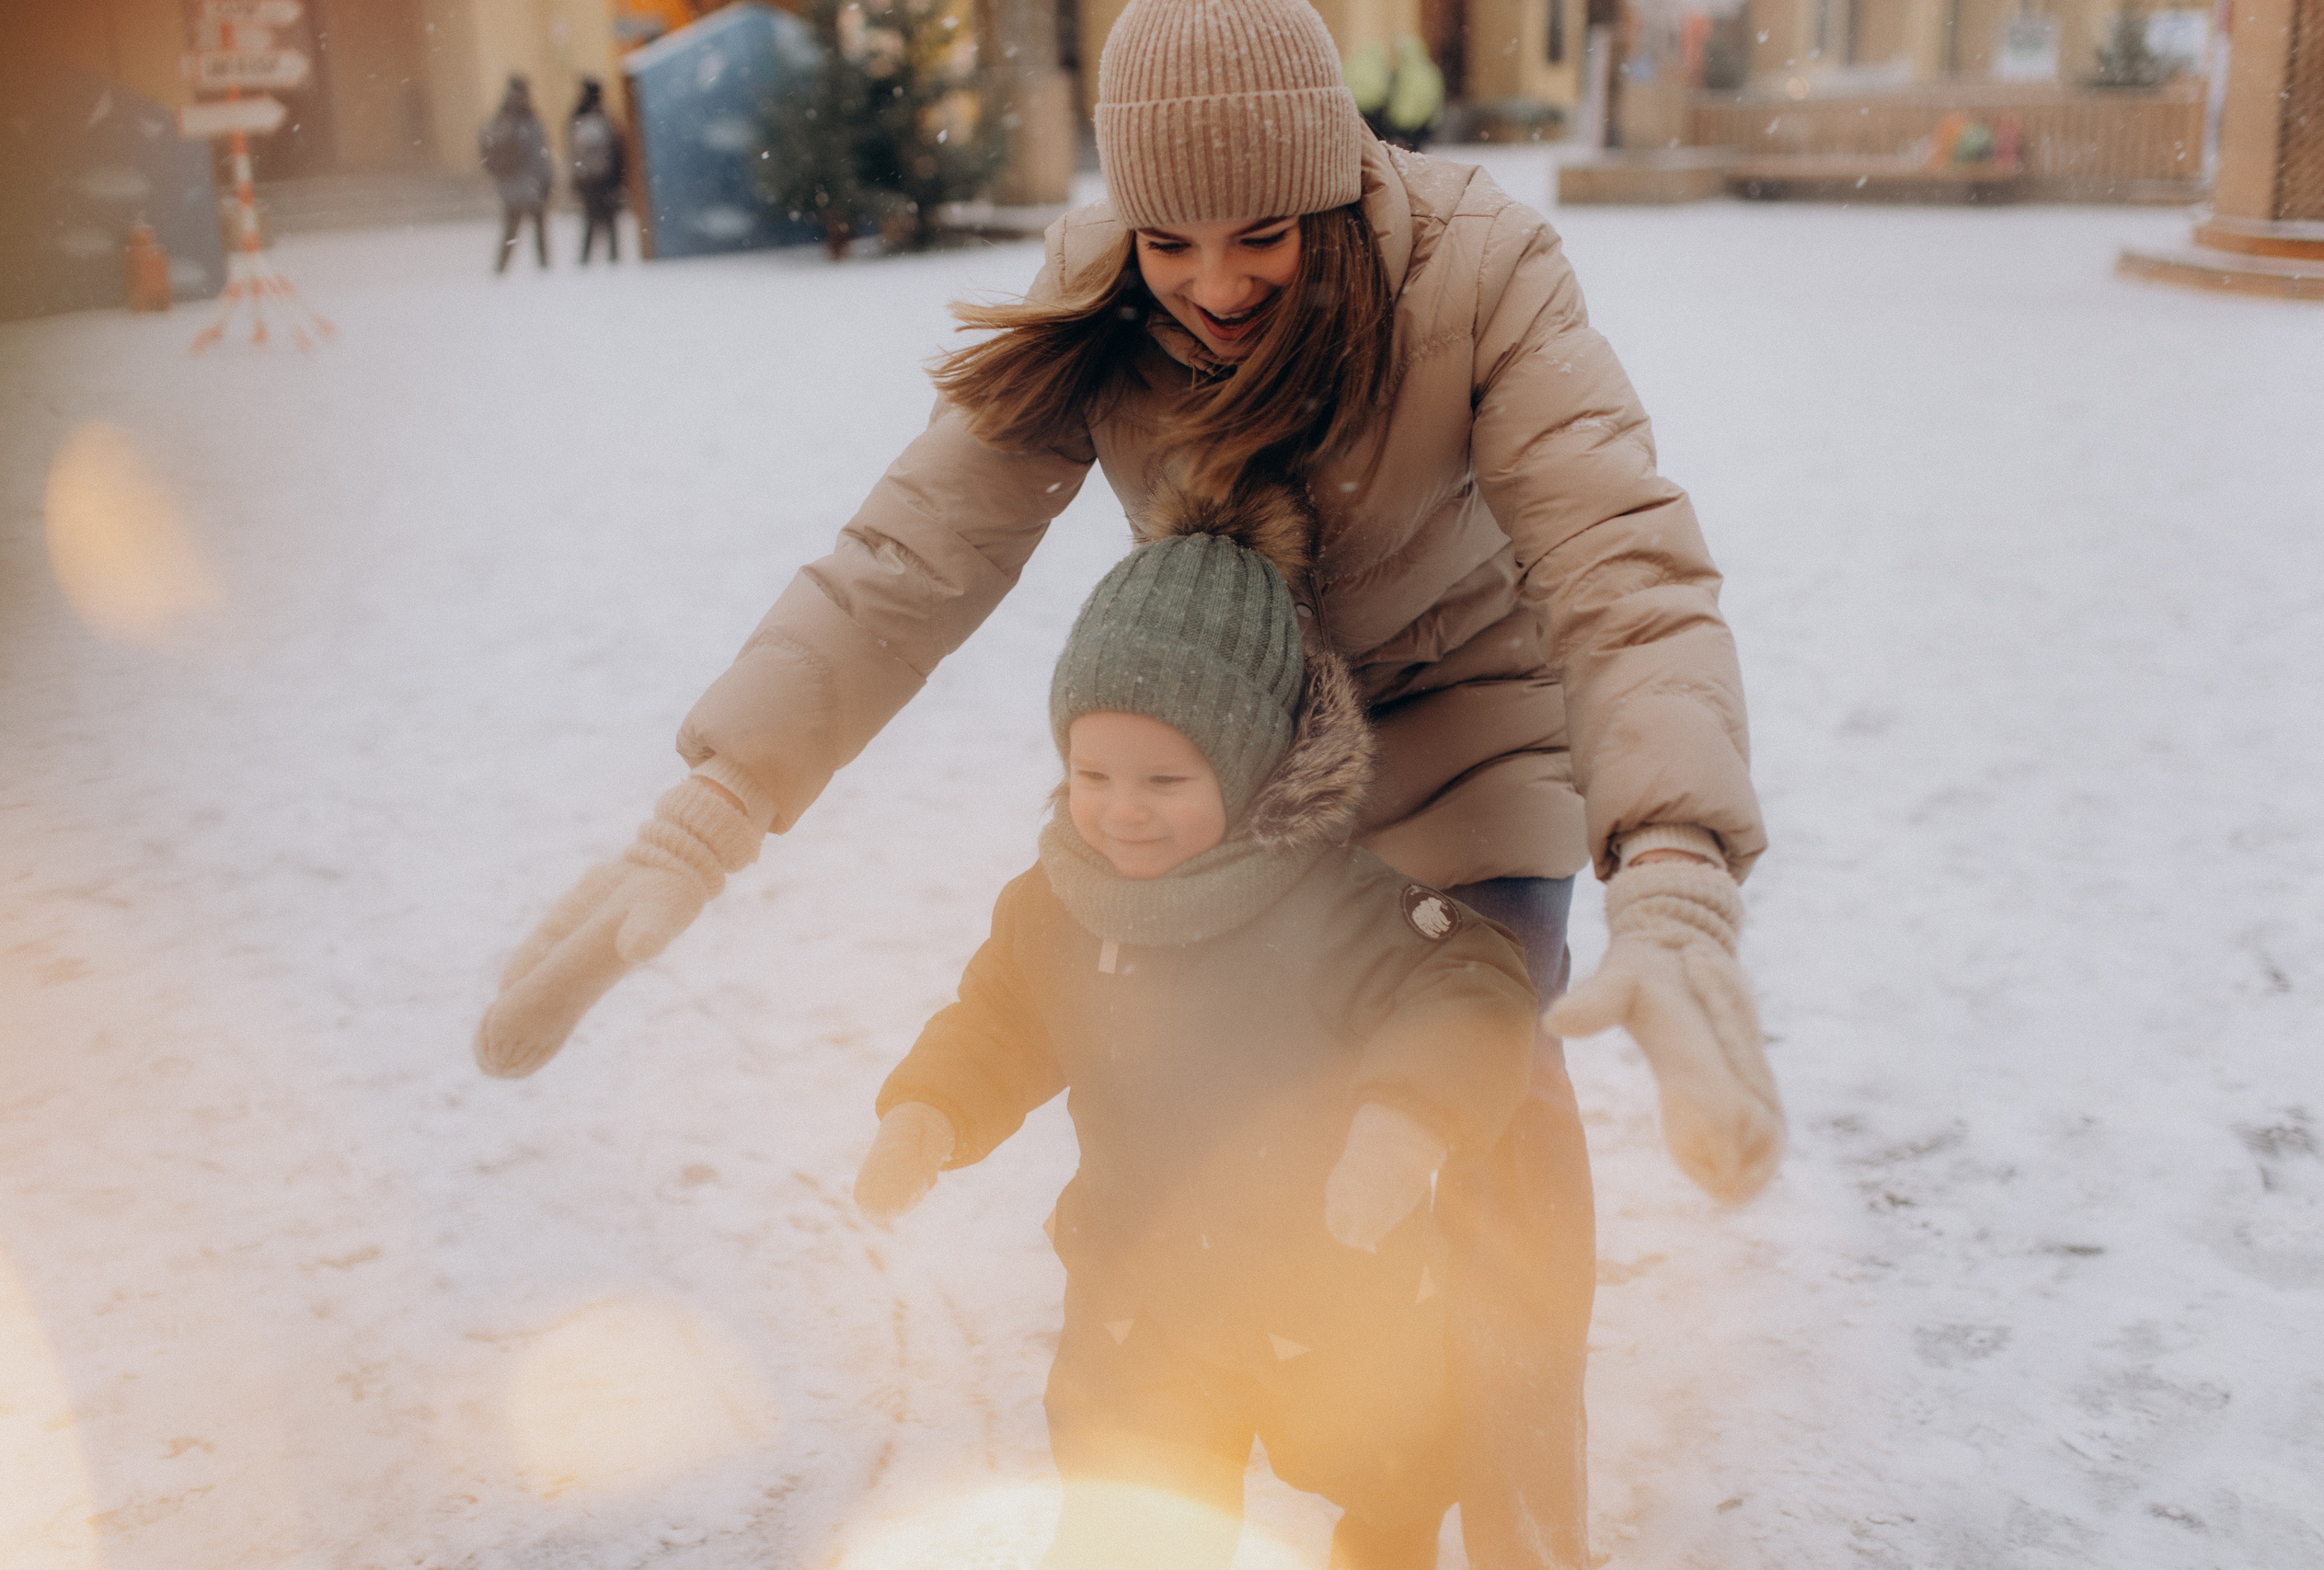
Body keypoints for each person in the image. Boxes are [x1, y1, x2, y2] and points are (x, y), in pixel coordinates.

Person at [475, 0, 1786, 1561]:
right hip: (1242, 738)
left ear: (1338, 187)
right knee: (1219, 1101)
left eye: (1261, 235)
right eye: (1170, 240)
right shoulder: (1101, 297)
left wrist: (1679, 868)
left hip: (1469, 725)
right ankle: (1237, 1414)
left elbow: (1621, 570)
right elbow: (910, 560)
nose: (1215, 285)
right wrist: (718, 800)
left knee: (1481, 1080)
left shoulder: (1480, 269)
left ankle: (1512, 1506)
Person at [856, 485, 1538, 1569]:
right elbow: (999, 1018)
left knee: (1386, 1457)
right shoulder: (1057, 906)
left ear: (1251, 760)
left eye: (1166, 780)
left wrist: (1405, 1121)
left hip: (1329, 1283)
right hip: (1142, 1293)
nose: (1122, 808)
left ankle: (1388, 1537)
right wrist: (929, 1111)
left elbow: (1472, 984)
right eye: (1092, 774)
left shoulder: (1332, 901)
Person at [478, 74, 552, 275]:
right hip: (531, 184)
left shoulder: (502, 118)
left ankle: (501, 269)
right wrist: (546, 180)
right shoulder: (529, 119)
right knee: (538, 230)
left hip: (511, 186)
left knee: (511, 231)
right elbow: (539, 155)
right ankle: (544, 268)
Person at [567, 78, 628, 266]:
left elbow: (573, 152)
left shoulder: (578, 119)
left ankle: (589, 261)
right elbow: (616, 150)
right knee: (606, 222)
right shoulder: (599, 120)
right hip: (601, 178)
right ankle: (610, 260)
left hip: (590, 178)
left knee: (594, 222)